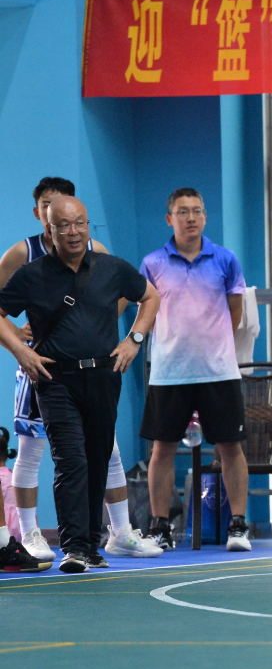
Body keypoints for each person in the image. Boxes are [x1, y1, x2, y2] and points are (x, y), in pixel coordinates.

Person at [0, 178, 157, 562]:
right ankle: (73, 548)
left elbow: (150, 296)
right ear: (49, 229)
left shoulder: (110, 267)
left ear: (88, 225)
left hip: (104, 376)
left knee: (99, 458)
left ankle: (91, 545)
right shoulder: (32, 272)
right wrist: (20, 351)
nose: (73, 232)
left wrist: (133, 340)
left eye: (79, 224)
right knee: (70, 460)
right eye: (64, 226)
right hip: (55, 379)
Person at [139, 188, 252, 552]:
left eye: (197, 211)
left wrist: (213, 345)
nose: (191, 217)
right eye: (183, 211)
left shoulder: (226, 259)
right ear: (169, 218)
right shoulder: (152, 263)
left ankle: (238, 526)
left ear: (205, 216)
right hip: (169, 373)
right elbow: (145, 310)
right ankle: (160, 527)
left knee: (230, 447)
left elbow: (235, 311)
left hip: (219, 371)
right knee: (162, 449)